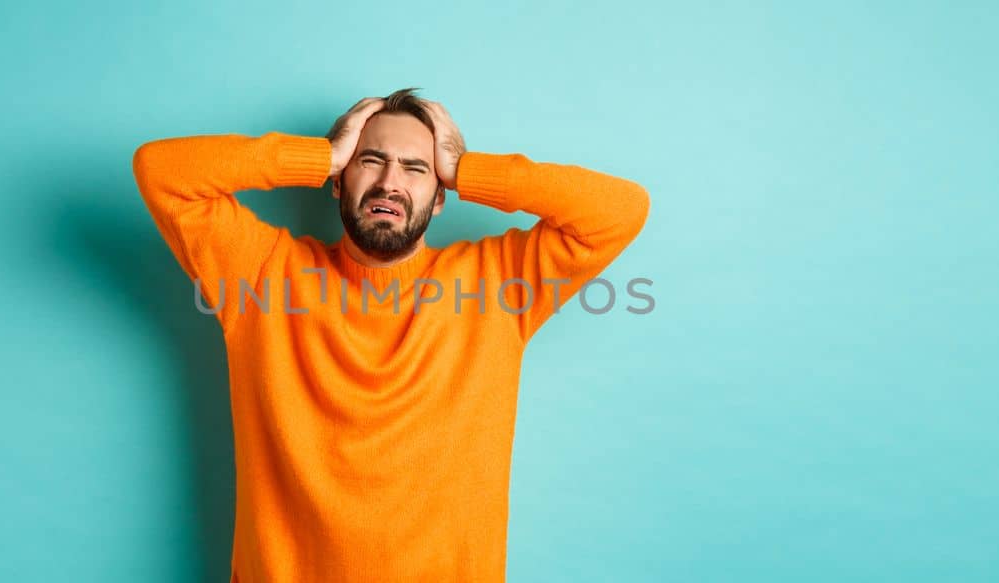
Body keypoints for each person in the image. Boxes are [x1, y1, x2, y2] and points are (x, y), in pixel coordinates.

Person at [131, 88, 649, 582]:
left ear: (440, 196)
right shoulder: (261, 275)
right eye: (371, 160)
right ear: (339, 179)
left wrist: (467, 168)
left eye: (416, 168)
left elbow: (618, 210)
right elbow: (161, 171)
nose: (389, 183)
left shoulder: (498, 285)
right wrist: (319, 155)